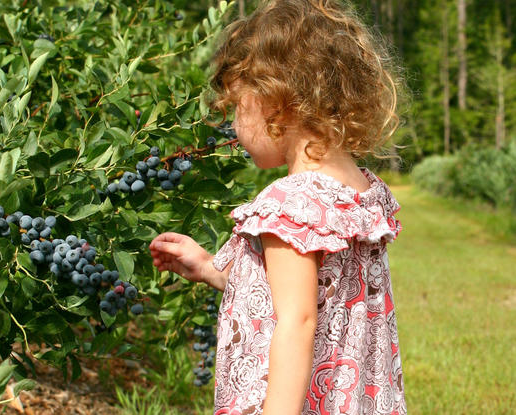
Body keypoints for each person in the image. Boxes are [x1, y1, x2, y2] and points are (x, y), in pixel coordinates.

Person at [149, 0, 407, 413]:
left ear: (276, 101)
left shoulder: (290, 204)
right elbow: (308, 290)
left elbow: (298, 321)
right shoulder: (359, 192)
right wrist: (209, 267)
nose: (233, 124)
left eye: (236, 106)